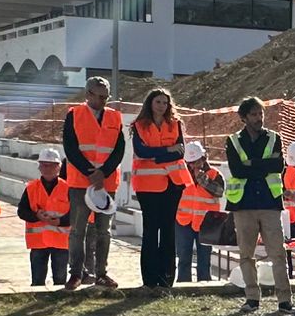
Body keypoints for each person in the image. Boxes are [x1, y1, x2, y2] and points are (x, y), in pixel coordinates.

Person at [225, 96, 293, 313]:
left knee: (278, 253)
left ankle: (285, 300)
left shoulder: (274, 138)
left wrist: (252, 164)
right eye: (254, 114)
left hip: (269, 203)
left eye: (260, 113)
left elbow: (278, 165)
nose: (258, 118)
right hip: (243, 204)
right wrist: (262, 166)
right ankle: (252, 297)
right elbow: (237, 170)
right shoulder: (233, 140)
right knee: (246, 254)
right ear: (244, 118)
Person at [62, 76, 123, 289]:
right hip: (80, 181)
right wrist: (90, 172)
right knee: (78, 230)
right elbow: (70, 148)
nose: (102, 101)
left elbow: (118, 149)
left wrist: (103, 173)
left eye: (105, 97)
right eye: (98, 96)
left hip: (106, 183)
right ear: (88, 94)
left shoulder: (115, 117)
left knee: (103, 231)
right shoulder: (74, 115)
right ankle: (76, 273)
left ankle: (101, 273)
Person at [129, 89, 187, 290]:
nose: (162, 105)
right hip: (148, 186)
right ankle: (150, 279)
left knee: (168, 231)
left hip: (173, 183)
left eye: (165, 102)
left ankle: (166, 279)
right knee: (151, 231)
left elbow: (180, 151)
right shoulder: (139, 126)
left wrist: (158, 155)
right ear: (150, 103)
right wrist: (166, 151)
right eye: (158, 102)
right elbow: (141, 151)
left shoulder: (176, 124)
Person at [18, 147, 73, 287]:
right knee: (37, 281)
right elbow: (22, 211)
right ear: (39, 167)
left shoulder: (67, 188)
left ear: (58, 167)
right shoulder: (31, 188)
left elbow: (75, 214)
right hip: (38, 243)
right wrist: (36, 216)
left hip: (61, 242)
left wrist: (60, 221)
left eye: (50, 165)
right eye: (43, 165)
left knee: (60, 280)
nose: (46, 168)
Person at [174, 142, 225, 284]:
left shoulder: (215, 174)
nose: (192, 166)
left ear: (203, 158)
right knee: (183, 257)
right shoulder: (182, 174)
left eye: (195, 162)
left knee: (204, 259)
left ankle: (204, 285)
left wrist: (203, 179)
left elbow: (219, 192)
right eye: (189, 163)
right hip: (184, 221)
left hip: (206, 223)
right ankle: (183, 285)